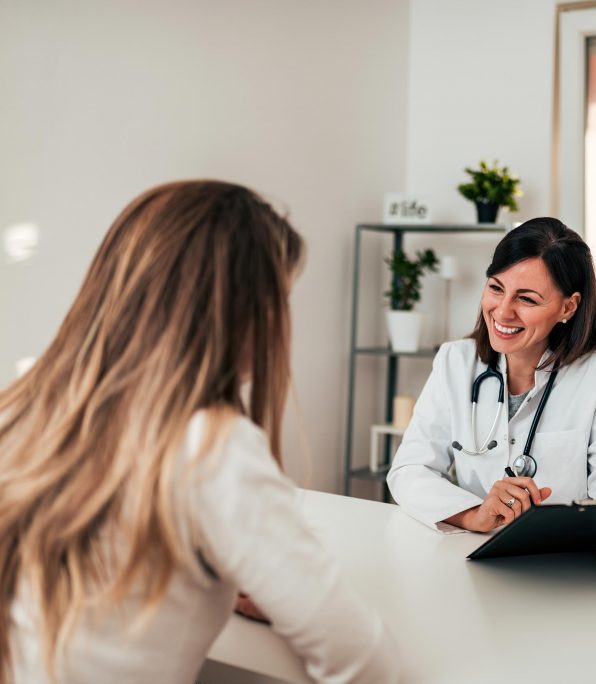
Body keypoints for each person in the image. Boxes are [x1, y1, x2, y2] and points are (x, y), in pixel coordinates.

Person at [0, 181, 397, 683]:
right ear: (239, 310)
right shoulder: (213, 447)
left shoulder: (21, 411)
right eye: (280, 297)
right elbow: (367, 664)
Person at [387, 217, 596, 572]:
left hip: (562, 574)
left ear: (568, 307)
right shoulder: (456, 361)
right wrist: (474, 515)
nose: (503, 311)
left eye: (526, 298)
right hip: (471, 565)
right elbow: (409, 469)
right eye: (496, 288)